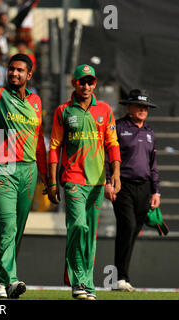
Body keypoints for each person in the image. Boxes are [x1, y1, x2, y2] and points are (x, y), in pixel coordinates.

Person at [0, 28, 48, 299]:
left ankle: (0, 282)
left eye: (19, 71)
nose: (14, 74)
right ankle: (13, 280)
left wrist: (48, 178)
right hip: (4, 169)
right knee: (8, 227)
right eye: (11, 69)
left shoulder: (37, 103)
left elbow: (39, 141)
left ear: (29, 75)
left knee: (16, 232)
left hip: (29, 171)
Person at [47, 64, 121, 300]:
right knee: (78, 226)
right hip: (73, 179)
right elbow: (55, 147)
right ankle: (78, 279)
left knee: (89, 235)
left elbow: (112, 143)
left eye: (90, 82)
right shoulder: (63, 111)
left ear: (95, 84)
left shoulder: (105, 110)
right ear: (74, 83)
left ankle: (87, 284)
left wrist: (115, 174)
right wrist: (51, 181)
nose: (86, 86)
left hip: (97, 182)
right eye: (82, 82)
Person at [105, 89, 160, 292]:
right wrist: (108, 182)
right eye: (139, 106)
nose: (143, 110)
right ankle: (119, 278)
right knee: (127, 226)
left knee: (133, 231)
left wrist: (156, 191)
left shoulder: (149, 132)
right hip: (123, 185)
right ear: (129, 107)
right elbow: (107, 156)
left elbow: (153, 164)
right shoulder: (118, 127)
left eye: (146, 107)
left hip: (144, 187)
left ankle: (121, 278)